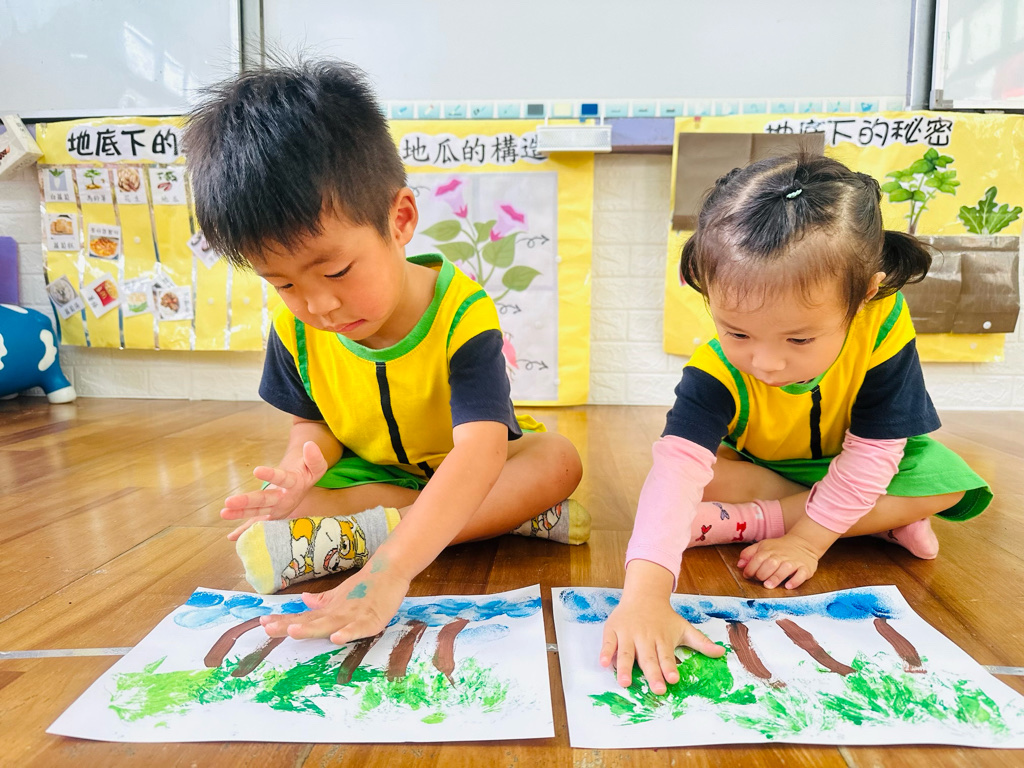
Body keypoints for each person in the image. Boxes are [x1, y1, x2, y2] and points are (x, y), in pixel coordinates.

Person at [183, 59, 587, 646]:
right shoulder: (292, 328)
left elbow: (480, 452)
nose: (318, 304)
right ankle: (470, 520)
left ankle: (380, 536)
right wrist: (300, 470)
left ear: (399, 220)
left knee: (558, 461)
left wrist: (389, 571)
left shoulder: (463, 313)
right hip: (373, 476)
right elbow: (312, 424)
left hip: (469, 465)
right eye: (284, 283)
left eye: (336, 271)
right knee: (290, 509)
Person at [601, 153, 991, 695]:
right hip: (766, 469)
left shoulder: (882, 325)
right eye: (738, 333)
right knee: (695, 480)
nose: (766, 363)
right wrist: (644, 596)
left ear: (866, 294)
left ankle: (757, 522)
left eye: (800, 339)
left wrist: (806, 542)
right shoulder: (714, 371)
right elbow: (677, 471)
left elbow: (876, 450)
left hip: (854, 461)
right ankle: (875, 521)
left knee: (949, 482)